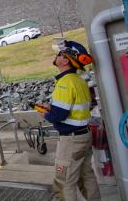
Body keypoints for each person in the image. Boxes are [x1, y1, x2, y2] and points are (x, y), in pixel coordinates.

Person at [39, 40, 100, 201]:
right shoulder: (78, 80)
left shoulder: (65, 83)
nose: (56, 55)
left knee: (64, 182)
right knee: (86, 176)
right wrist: (53, 110)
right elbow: (77, 109)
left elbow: (59, 116)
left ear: (65, 60)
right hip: (84, 135)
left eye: (59, 53)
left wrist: (45, 113)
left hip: (71, 141)